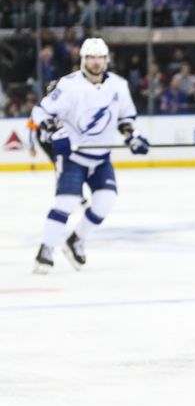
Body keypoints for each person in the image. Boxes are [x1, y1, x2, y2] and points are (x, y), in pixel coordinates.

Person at [31, 38, 150, 274]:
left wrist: (133, 137)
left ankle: (76, 240)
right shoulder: (69, 85)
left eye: (100, 57)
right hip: (74, 156)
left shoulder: (118, 85)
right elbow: (40, 111)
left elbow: (126, 119)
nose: (96, 62)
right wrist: (55, 131)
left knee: (105, 202)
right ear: (83, 60)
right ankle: (46, 249)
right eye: (91, 58)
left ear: (106, 60)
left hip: (101, 157)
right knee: (67, 202)